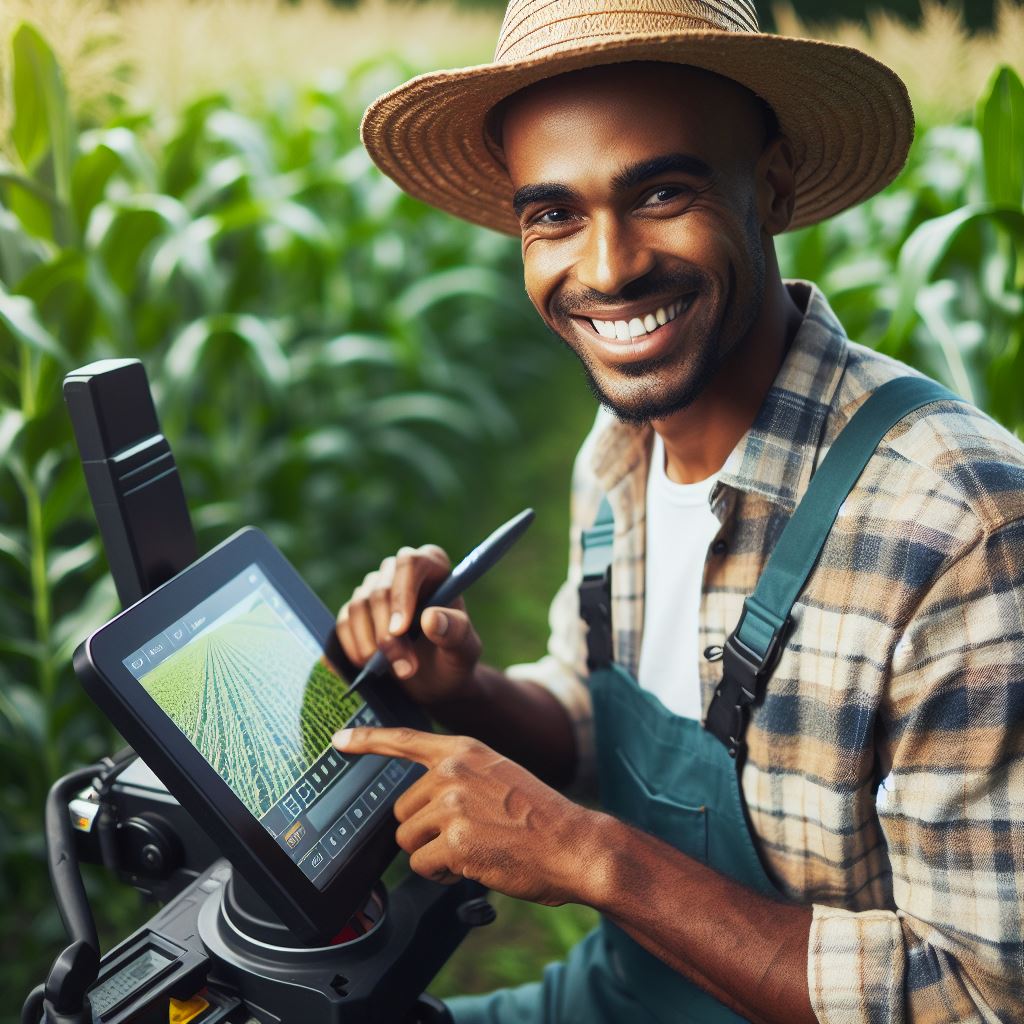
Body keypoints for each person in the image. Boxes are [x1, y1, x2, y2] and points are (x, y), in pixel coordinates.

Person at [331, 2, 1024, 1021]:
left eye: (661, 192)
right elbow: (591, 716)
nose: (605, 268)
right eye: (552, 214)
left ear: (774, 187)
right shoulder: (619, 453)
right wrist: (468, 689)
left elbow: (980, 994)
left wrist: (587, 852)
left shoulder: (959, 526)